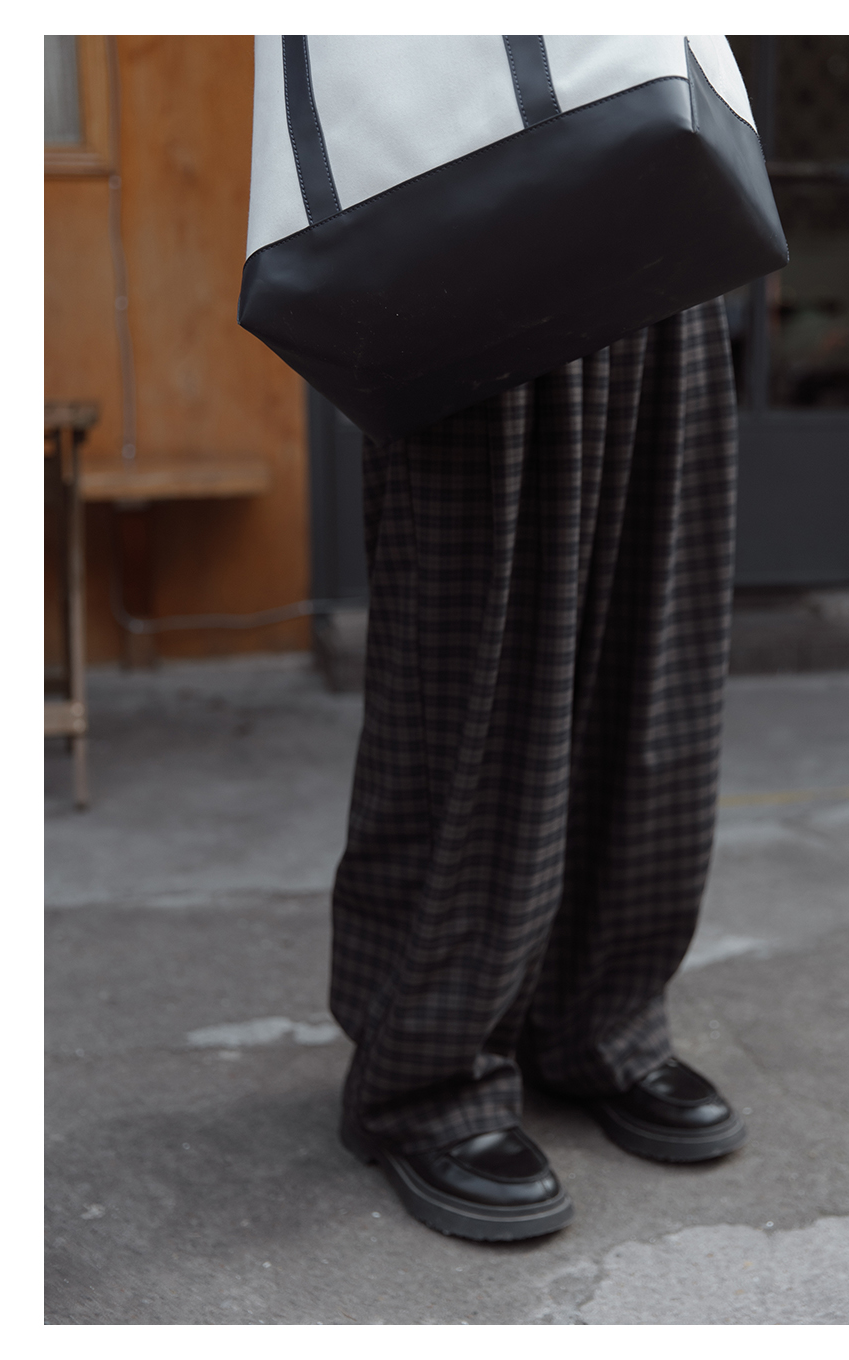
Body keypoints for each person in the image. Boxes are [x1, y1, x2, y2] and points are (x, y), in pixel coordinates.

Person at [329, 297, 745, 1241]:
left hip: (666, 250)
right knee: (474, 685)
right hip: (470, 247)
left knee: (653, 661)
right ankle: (427, 1075)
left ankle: (599, 1022)